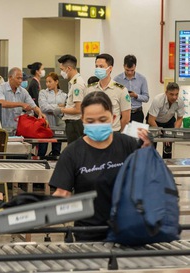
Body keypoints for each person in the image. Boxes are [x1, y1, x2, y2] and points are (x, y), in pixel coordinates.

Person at [50, 91, 151, 241]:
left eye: (103, 119)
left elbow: (148, 181)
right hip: (89, 235)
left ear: (114, 118)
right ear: (82, 120)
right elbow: (62, 194)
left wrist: (148, 150)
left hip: (129, 231)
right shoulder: (72, 153)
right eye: (90, 121)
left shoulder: (129, 144)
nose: (97, 125)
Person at [87, 53, 131, 132]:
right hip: (93, 133)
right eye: (96, 66)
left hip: (113, 133)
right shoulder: (90, 89)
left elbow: (126, 118)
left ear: (110, 68)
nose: (98, 69)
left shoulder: (121, 90)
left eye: (101, 66)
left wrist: (118, 134)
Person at [0, 67, 46, 132]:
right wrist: (21, 104)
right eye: (18, 78)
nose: (20, 81)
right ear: (10, 78)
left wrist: (39, 113)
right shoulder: (0, 88)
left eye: (21, 78)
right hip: (2, 128)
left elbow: (34, 106)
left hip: (17, 129)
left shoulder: (23, 91)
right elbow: (1, 103)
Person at [147, 82, 185, 159]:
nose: (174, 97)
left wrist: (172, 133)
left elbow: (180, 118)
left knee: (168, 145)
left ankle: (166, 166)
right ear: (166, 93)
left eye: (176, 94)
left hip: (169, 121)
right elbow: (151, 120)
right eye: (171, 94)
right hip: (154, 121)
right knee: (151, 145)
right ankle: (151, 165)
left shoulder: (180, 101)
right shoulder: (158, 100)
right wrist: (162, 136)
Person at [57, 54, 86, 144]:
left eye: (62, 70)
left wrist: (61, 110)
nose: (61, 73)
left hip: (75, 124)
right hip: (73, 124)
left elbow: (78, 109)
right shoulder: (73, 82)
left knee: (75, 153)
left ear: (68, 68)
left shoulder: (77, 84)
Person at [114, 55, 150, 123]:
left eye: (132, 70)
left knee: (136, 134)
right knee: (121, 133)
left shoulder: (142, 79)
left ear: (135, 66)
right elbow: (114, 97)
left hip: (137, 113)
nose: (130, 72)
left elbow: (146, 98)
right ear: (123, 66)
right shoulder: (117, 79)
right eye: (127, 70)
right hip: (122, 114)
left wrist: (136, 95)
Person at [38, 72, 67, 157]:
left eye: (50, 81)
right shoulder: (43, 93)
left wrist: (52, 109)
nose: (47, 84)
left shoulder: (64, 95)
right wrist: (58, 107)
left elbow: (66, 109)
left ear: (56, 82)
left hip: (59, 125)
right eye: (46, 82)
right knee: (42, 150)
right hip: (46, 124)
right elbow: (43, 107)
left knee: (56, 151)